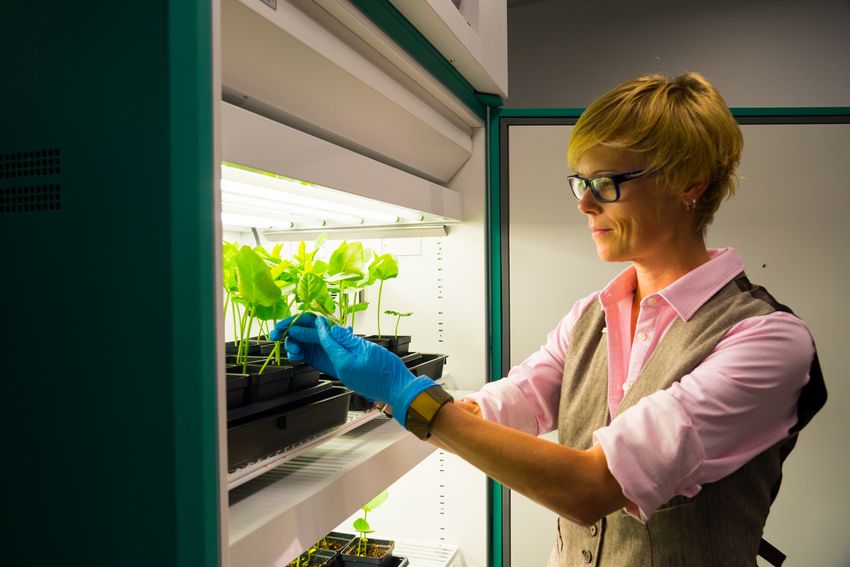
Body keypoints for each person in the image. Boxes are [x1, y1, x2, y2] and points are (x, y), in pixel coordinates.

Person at [271, 72, 827, 566]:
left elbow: (593, 487)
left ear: (690, 183)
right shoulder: (593, 316)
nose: (585, 204)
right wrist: (374, 388)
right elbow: (503, 409)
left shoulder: (766, 340)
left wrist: (406, 390)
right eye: (580, 183)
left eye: (607, 183)